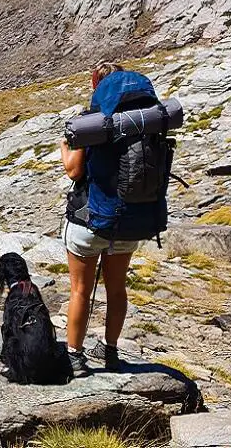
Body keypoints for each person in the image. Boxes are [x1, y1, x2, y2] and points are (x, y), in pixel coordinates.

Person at [59, 62, 150, 376]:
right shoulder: (144, 120)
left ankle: (74, 357)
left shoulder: (91, 122)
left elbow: (73, 170)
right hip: (130, 220)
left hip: (90, 220)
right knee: (117, 288)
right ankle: (111, 352)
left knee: (80, 290)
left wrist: (64, 144)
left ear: (96, 85)